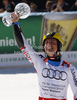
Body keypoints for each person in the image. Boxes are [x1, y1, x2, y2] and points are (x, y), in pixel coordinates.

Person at [10, 12, 77, 100]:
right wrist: (15, 23)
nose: (49, 45)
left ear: (59, 46)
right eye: (47, 43)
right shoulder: (39, 61)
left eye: (53, 43)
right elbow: (23, 46)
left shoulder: (70, 68)